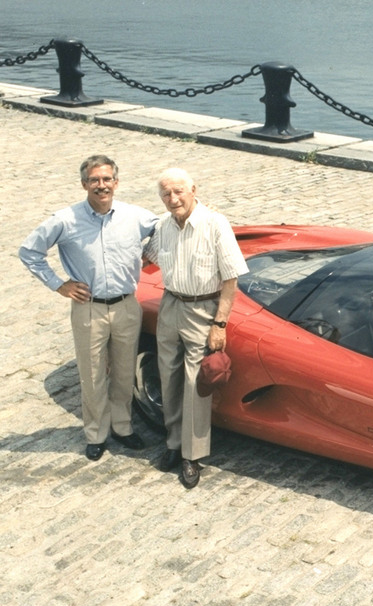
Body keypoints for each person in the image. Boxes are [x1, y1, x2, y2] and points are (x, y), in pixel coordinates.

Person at [19, 155, 159, 460]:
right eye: (94, 180)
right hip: (89, 308)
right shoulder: (65, 220)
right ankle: (96, 433)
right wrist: (59, 284)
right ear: (84, 184)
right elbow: (29, 251)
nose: (101, 185)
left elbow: (163, 230)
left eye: (107, 179)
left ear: (116, 183)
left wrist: (148, 253)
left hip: (126, 306)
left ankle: (123, 427)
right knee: (92, 374)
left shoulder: (135, 216)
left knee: (124, 373)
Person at [144, 168, 248, 489]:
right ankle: (174, 443)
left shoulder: (215, 224)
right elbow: (147, 253)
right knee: (169, 376)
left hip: (204, 308)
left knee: (195, 382)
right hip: (171, 304)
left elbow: (230, 278)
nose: (173, 199)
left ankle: (193, 455)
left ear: (193, 189)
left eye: (178, 191)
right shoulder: (162, 226)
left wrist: (220, 323)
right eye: (166, 194)